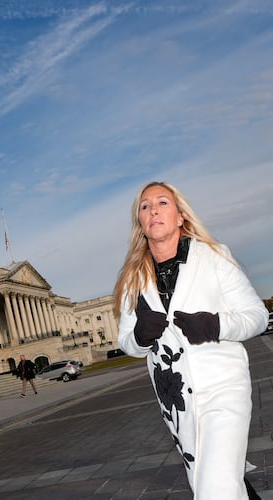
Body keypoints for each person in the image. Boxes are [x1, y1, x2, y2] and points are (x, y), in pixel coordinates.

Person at [114, 181, 268, 499]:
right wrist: (141, 335)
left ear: (181, 216)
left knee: (216, 489)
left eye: (162, 202)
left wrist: (215, 325)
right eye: (145, 206)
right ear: (140, 223)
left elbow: (257, 316)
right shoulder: (133, 278)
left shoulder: (214, 256)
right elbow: (128, 342)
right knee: (209, 481)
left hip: (223, 388)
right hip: (176, 403)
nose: (153, 209)